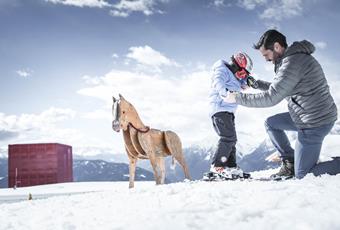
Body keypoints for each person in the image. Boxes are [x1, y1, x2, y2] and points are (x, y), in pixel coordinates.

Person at [225, 29, 340, 179]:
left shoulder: (292, 62)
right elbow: (282, 87)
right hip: (306, 115)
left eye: (266, 55)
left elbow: (272, 97)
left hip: (315, 123)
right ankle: (290, 162)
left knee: (303, 175)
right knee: (271, 123)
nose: (266, 59)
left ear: (277, 47)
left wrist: (237, 98)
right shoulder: (292, 59)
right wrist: (256, 84)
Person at [208, 52, 254, 179]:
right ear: (237, 66)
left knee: (232, 139)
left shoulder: (235, 76)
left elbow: (242, 85)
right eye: (243, 72)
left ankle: (231, 167)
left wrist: (248, 81)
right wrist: (225, 93)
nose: (243, 75)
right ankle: (217, 166)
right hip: (219, 110)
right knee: (228, 138)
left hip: (228, 112)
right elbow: (218, 82)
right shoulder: (221, 70)